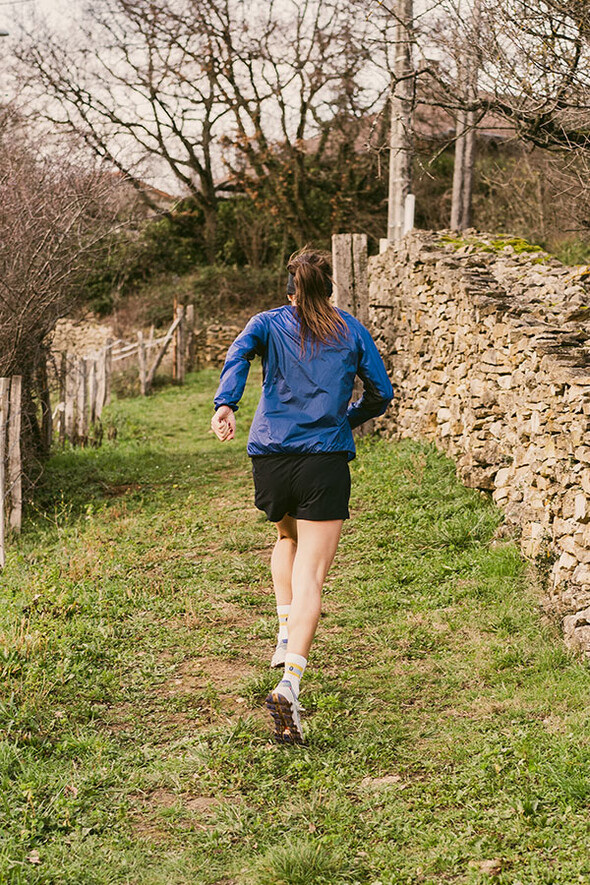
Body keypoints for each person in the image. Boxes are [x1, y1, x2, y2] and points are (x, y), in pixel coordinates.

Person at [211, 247, 393, 744]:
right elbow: (381, 393)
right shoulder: (351, 330)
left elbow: (238, 354)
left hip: (270, 457)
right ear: (329, 288)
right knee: (311, 572)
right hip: (323, 459)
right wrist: (344, 420)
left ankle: (282, 632)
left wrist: (226, 404)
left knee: (285, 538)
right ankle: (289, 682)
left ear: (290, 289)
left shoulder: (266, 322)